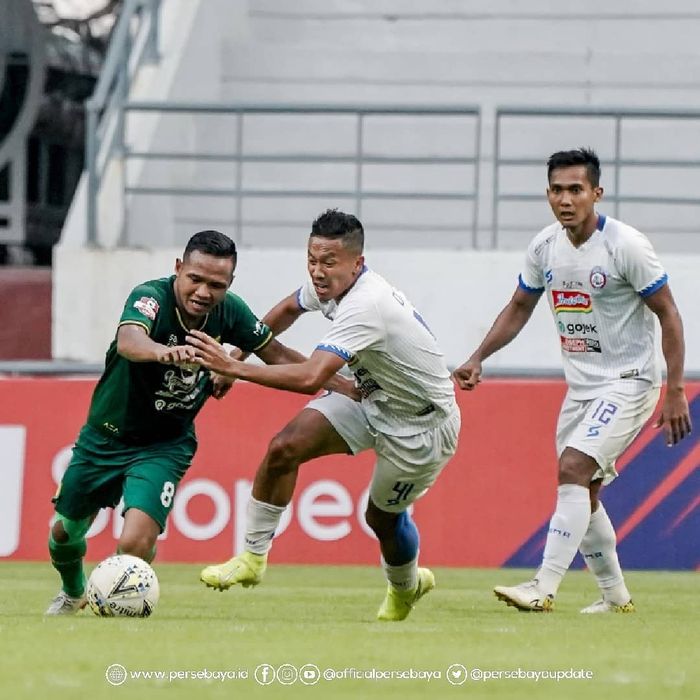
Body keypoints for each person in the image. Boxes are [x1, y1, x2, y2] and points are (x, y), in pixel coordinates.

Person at [46, 229, 354, 615]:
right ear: (178, 269)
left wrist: (342, 386)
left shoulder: (231, 312)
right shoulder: (150, 298)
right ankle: (73, 590)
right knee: (64, 534)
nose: (203, 292)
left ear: (229, 284)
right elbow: (129, 341)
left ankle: (122, 600)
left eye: (216, 284)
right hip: (105, 438)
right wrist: (167, 353)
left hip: (164, 445)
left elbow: (275, 353)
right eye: (195, 279)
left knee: (135, 543)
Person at [187, 209, 461, 621]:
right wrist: (240, 350)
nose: (317, 271)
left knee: (380, 518)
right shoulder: (331, 286)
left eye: (329, 262)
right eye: (312, 260)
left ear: (358, 264)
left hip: (421, 424)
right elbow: (286, 310)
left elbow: (312, 376)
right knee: (284, 448)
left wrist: (233, 368)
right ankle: (251, 559)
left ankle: (406, 587)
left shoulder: (367, 304)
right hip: (369, 396)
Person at [453, 147, 692, 613]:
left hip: (630, 381)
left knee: (573, 470)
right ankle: (614, 595)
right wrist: (478, 356)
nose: (566, 199)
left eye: (576, 190)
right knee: (584, 490)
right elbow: (520, 306)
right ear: (548, 194)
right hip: (582, 388)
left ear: (596, 193)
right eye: (558, 190)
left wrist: (676, 389)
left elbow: (669, 314)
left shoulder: (626, 246)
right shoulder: (545, 247)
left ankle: (543, 586)